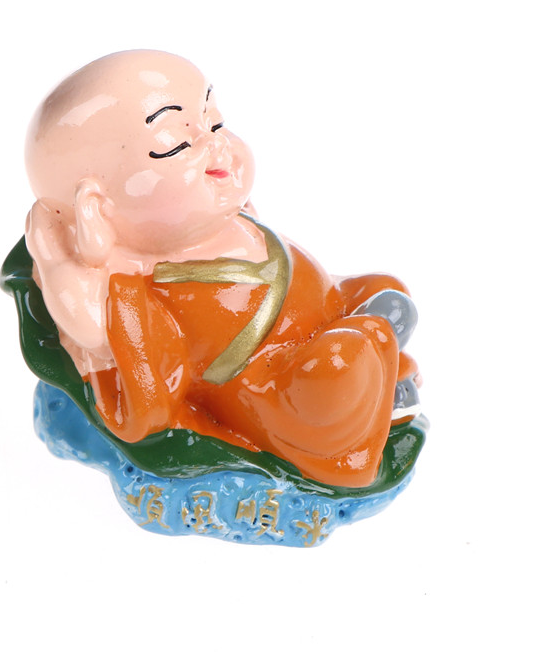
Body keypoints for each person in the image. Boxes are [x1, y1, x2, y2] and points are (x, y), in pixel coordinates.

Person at [23, 50, 420, 488]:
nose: (217, 146)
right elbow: (98, 335)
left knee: (384, 292)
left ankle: (375, 369)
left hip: (320, 314)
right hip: (278, 389)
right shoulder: (139, 292)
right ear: (98, 209)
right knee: (344, 360)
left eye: (214, 123)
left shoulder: (231, 220)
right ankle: (369, 388)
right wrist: (56, 259)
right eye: (175, 145)